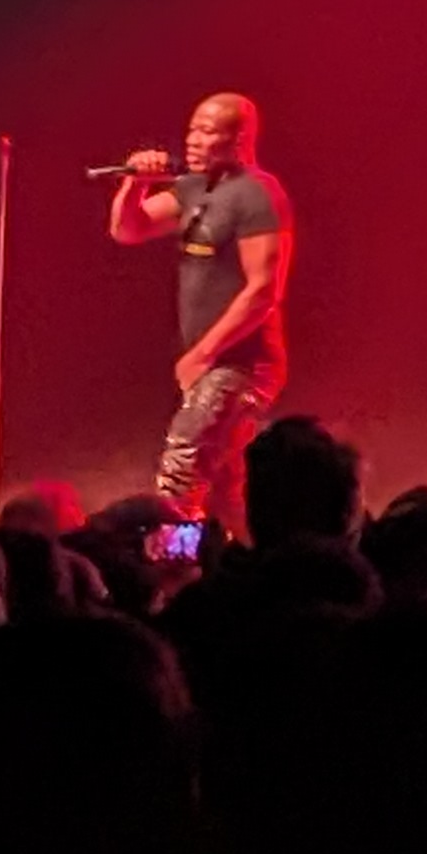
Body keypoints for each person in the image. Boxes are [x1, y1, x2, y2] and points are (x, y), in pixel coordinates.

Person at [106, 91, 292, 530]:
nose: (192, 140)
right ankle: (236, 557)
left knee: (182, 468)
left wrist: (203, 354)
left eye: (207, 132)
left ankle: (173, 561)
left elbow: (264, 290)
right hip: (210, 364)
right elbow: (128, 229)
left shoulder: (257, 195)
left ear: (239, 140)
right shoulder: (193, 188)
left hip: (243, 364)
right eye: (192, 129)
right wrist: (136, 182)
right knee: (225, 488)